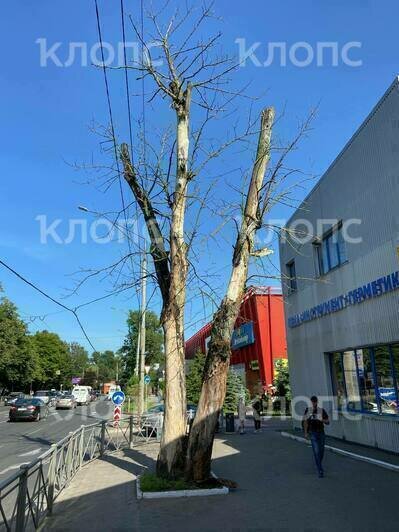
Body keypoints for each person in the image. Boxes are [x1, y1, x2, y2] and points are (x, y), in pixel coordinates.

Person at [303, 395, 329, 478]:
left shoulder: (321, 411)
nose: (313, 403)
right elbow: (305, 422)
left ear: (317, 402)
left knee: (321, 451)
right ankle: (320, 470)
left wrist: (321, 419)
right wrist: (306, 433)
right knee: (316, 451)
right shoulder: (308, 410)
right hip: (313, 433)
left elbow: (328, 422)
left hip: (321, 432)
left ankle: (318, 463)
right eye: (312, 402)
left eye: (315, 402)